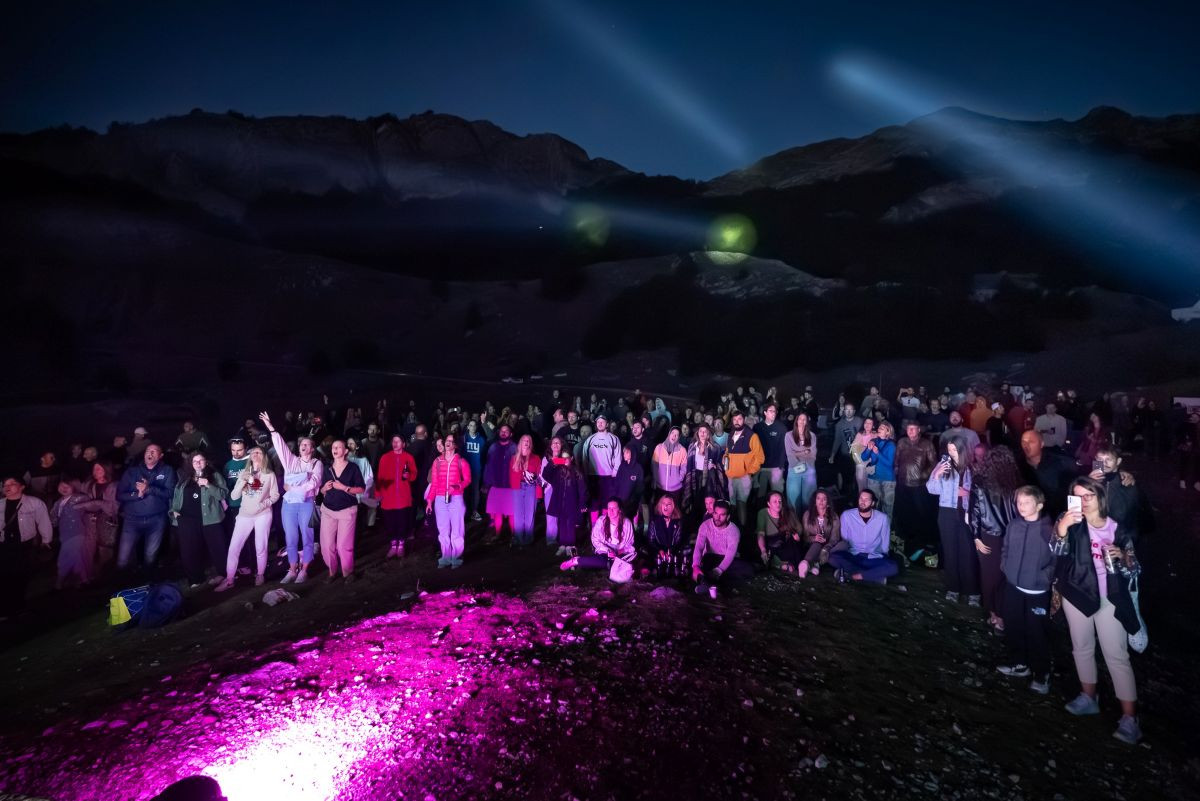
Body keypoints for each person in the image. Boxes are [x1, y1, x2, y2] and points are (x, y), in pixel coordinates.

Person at [1053, 477, 1142, 745]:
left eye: (1088, 495)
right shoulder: (1070, 523)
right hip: (1077, 595)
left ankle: (1129, 718)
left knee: (1116, 656)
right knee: (1081, 647)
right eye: (1078, 496)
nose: (1083, 500)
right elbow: (1055, 550)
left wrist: (1123, 557)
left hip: (1110, 599)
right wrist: (1062, 528)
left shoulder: (1117, 528)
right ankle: (1088, 697)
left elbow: (1135, 568)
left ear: (1099, 497)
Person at [996, 486, 1056, 694]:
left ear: (1039, 505)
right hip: (1013, 586)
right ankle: (1019, 664)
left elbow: (1056, 560)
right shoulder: (1014, 525)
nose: (1021, 506)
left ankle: (1042, 674)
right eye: (1019, 502)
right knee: (1013, 626)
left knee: (1037, 633)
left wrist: (1043, 578)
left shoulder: (1049, 530)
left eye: (1026, 502)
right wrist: (1006, 566)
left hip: (1037, 592)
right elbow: (1005, 548)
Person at [260, 413, 323, 584]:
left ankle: (305, 570)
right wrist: (271, 427)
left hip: (307, 504)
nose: (303, 446)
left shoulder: (317, 464)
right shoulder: (291, 461)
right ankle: (293, 569)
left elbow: (314, 483)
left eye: (307, 444)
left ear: (312, 448)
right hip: (288, 505)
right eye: (301, 444)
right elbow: (280, 445)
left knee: (308, 537)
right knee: (291, 538)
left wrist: (293, 486)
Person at [970, 446, 1021, 629]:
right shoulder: (1015, 482)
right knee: (1005, 576)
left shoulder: (979, 481)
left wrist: (976, 537)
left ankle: (994, 614)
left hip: (989, 535)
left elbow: (974, 511)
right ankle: (1002, 615)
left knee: (989, 577)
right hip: (1012, 534)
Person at [216, 446, 280, 591]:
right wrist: (241, 482)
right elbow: (234, 497)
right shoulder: (244, 473)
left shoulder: (269, 474)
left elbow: (275, 495)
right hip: (244, 515)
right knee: (234, 548)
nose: (255, 454)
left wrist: (264, 504)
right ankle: (230, 579)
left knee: (260, 547)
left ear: (264, 456)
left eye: (258, 452)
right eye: (253, 453)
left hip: (262, 515)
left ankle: (260, 574)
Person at [927, 436, 978, 605]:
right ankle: (953, 588)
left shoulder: (972, 467)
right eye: (949, 450)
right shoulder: (943, 466)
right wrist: (936, 475)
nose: (951, 453)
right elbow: (931, 490)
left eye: (954, 450)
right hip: (947, 512)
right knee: (950, 550)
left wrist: (968, 493)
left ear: (962, 450)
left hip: (965, 513)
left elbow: (980, 492)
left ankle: (972, 591)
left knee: (967, 551)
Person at [169, 453, 229, 588]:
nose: (198, 463)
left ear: (206, 462)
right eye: (195, 461)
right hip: (187, 520)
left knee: (218, 548)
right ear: (190, 463)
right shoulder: (184, 479)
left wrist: (208, 485)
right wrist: (174, 511)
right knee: (189, 551)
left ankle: (224, 574)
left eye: (201, 460)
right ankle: (195, 579)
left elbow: (223, 494)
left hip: (211, 518)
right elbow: (176, 497)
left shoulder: (214, 476)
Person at [116, 444, 177, 573]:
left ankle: (147, 583)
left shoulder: (167, 470)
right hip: (132, 520)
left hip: (156, 520)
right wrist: (137, 495)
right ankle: (122, 585)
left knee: (150, 557)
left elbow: (170, 493)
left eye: (154, 451)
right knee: (123, 559)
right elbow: (120, 495)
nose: (150, 453)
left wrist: (149, 489)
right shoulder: (132, 471)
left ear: (160, 456)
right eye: (148, 451)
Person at [1, 476, 53, 616]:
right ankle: (5, 607)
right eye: (5, 484)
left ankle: (18, 605)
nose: (7, 486)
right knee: (5, 576)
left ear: (22, 486)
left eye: (12, 483)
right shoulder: (0, 504)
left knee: (21, 575)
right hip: (4, 545)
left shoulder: (34, 503)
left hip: (24, 546)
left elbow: (43, 521)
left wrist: (46, 540)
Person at [316, 441, 366, 583]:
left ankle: (348, 572)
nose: (335, 449)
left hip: (347, 510)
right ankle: (332, 571)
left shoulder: (353, 468)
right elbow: (322, 491)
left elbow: (361, 489)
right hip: (328, 510)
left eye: (338, 447)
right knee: (326, 545)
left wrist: (345, 488)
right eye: (333, 447)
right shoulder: (327, 469)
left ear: (345, 451)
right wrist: (324, 488)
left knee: (343, 545)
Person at [829, 489, 898, 584]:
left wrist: (882, 557)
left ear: (873, 503)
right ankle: (875, 577)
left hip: (873, 557)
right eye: (861, 498)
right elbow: (844, 539)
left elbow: (885, 544)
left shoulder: (882, 518)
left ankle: (852, 575)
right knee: (833, 558)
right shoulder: (847, 515)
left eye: (867, 499)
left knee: (893, 567)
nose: (863, 501)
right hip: (854, 556)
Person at [426, 432, 471, 568]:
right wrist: (429, 501)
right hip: (440, 499)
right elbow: (434, 483)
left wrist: (457, 486)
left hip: (456, 498)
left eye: (451, 441)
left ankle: (456, 557)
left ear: (456, 445)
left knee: (457, 529)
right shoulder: (437, 462)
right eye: (447, 440)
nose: (448, 442)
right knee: (443, 529)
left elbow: (468, 480)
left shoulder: (461, 461)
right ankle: (445, 557)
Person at [1089, 445, 1148, 546]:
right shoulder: (1089, 481)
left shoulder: (1126, 483)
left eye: (1109, 459)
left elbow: (1128, 517)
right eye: (1100, 459)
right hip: (1094, 536)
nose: (1104, 463)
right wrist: (1087, 483)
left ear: (1118, 461)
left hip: (1117, 539)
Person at [691, 500, 751, 599]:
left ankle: (712, 584)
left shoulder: (734, 531)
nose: (717, 518)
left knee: (748, 570)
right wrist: (696, 566)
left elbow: (730, 555)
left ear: (728, 516)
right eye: (715, 513)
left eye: (722, 515)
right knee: (698, 566)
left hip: (727, 560)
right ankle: (710, 584)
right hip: (710, 557)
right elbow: (699, 547)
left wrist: (719, 570)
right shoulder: (705, 525)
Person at [894, 420, 936, 560]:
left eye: (913, 429)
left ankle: (922, 542)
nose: (910, 431)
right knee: (904, 512)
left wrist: (923, 475)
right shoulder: (902, 442)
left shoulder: (926, 444)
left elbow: (933, 464)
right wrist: (896, 469)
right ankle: (905, 539)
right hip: (902, 484)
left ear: (919, 430)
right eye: (908, 429)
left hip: (919, 486)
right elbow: (897, 459)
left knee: (921, 513)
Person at [559, 498, 636, 572]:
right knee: (604, 561)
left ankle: (608, 564)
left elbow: (629, 543)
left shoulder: (626, 523)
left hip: (620, 552)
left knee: (624, 560)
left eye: (614, 508)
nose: (611, 511)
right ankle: (576, 560)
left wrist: (619, 552)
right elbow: (595, 539)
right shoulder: (602, 521)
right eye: (609, 508)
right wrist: (608, 551)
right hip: (605, 551)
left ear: (619, 510)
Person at [1018, 431, 1078, 517]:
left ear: (1041, 444)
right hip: (1032, 518)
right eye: (1023, 442)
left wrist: (1098, 470)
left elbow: (1094, 461)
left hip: (1058, 515)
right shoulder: (1018, 465)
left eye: (1031, 442)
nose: (1026, 445)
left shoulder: (1059, 461)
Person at [376, 435, 418, 559]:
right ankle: (394, 545)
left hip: (403, 497)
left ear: (403, 444)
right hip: (388, 498)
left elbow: (414, 474)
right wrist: (378, 494)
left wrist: (408, 475)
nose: (395, 443)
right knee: (390, 522)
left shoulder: (408, 457)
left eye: (398, 441)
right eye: (393, 441)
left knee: (402, 522)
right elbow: (380, 477)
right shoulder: (385, 457)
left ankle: (401, 546)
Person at [543, 449, 588, 557]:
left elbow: (583, 490)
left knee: (570, 525)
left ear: (571, 458)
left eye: (567, 457)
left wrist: (583, 503)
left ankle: (571, 545)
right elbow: (545, 474)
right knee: (562, 524)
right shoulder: (557, 472)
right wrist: (554, 461)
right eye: (563, 458)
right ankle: (563, 544)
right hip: (560, 503)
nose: (565, 460)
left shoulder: (576, 472)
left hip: (572, 504)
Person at [724, 411, 764, 530]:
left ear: (744, 419)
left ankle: (743, 534)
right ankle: (732, 532)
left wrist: (749, 471)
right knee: (732, 505)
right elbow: (727, 452)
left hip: (744, 477)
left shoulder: (752, 436)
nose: (737, 422)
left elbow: (760, 457)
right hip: (731, 477)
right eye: (734, 419)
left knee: (741, 504)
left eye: (739, 419)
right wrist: (725, 462)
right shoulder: (730, 435)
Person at [50, 480, 94, 589]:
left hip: (77, 532)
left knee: (63, 558)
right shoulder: (58, 502)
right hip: (64, 534)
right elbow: (54, 520)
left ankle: (58, 584)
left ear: (74, 487)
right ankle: (85, 580)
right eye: (62, 485)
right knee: (76, 557)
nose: (64, 488)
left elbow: (92, 506)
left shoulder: (79, 498)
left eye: (67, 486)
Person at [681, 424, 727, 525]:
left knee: (707, 501)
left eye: (705, 431)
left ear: (708, 434)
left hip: (709, 478)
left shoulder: (714, 447)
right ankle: (695, 526)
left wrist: (716, 465)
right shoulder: (692, 446)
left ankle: (708, 522)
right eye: (700, 431)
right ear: (697, 433)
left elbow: (721, 460)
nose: (702, 433)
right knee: (695, 500)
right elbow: (688, 463)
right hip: (695, 476)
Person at [78, 462, 119, 568]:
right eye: (94, 469)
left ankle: (105, 573)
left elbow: (112, 509)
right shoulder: (89, 484)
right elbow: (80, 499)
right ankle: (87, 573)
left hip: (106, 523)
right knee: (88, 546)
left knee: (104, 549)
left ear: (107, 470)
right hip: (90, 520)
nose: (95, 471)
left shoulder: (114, 486)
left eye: (98, 469)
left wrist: (96, 503)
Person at [582, 415, 622, 523]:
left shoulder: (614, 439)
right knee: (594, 504)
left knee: (606, 503)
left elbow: (618, 458)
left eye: (602, 422)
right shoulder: (590, 439)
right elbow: (585, 458)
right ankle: (595, 527)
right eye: (598, 422)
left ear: (607, 424)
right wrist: (586, 474)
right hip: (593, 477)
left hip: (608, 477)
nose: (600, 424)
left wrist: (614, 473)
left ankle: (604, 526)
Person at [755, 491, 804, 573]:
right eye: (774, 502)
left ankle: (785, 564)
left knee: (792, 545)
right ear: (769, 504)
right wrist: (763, 550)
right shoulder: (762, 513)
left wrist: (796, 534)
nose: (778, 504)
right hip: (769, 542)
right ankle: (779, 563)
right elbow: (760, 534)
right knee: (761, 552)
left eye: (780, 501)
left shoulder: (787, 512)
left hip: (784, 542)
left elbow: (799, 528)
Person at [798, 489, 842, 578]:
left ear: (828, 502)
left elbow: (835, 538)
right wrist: (814, 538)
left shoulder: (834, 516)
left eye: (824, 499)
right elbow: (805, 537)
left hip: (828, 547)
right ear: (815, 501)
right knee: (817, 545)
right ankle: (805, 564)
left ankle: (814, 565)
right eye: (818, 498)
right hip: (811, 546)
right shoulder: (807, 515)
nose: (821, 501)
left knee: (842, 545)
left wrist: (826, 547)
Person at [483, 424, 517, 539]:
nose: (503, 433)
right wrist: (486, 483)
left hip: (510, 486)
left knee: (512, 512)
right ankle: (498, 534)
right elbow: (488, 465)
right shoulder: (493, 447)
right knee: (497, 511)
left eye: (506, 431)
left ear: (510, 434)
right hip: (496, 485)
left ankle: (514, 535)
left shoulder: (515, 448)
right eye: (501, 430)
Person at [508, 434, 543, 548]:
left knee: (529, 515)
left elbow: (539, 477)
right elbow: (511, 476)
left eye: (528, 441)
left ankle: (528, 540)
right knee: (518, 515)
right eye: (524, 440)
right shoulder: (514, 458)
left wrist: (538, 493)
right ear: (520, 443)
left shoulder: (536, 458)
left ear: (531, 444)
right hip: (517, 488)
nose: (526, 443)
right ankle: (518, 539)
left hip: (530, 488)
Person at [861, 421, 897, 521]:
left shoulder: (891, 445)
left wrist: (877, 453)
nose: (879, 429)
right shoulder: (873, 441)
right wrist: (868, 449)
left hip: (888, 480)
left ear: (888, 432)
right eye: (879, 427)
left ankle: (886, 530)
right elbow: (863, 457)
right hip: (873, 478)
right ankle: (873, 528)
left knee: (887, 507)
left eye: (882, 428)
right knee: (873, 505)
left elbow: (889, 464)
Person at [784, 413, 818, 516]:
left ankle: (807, 524)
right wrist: (803, 453)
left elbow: (813, 455)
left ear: (807, 422)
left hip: (809, 470)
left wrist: (797, 454)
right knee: (793, 501)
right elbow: (789, 455)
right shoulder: (788, 435)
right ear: (796, 421)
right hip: (793, 470)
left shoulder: (812, 436)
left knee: (808, 501)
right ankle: (795, 527)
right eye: (800, 419)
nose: (802, 421)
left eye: (804, 419)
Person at [752, 402, 788, 500]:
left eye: (775, 411)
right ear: (765, 412)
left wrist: (781, 466)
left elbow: (783, 448)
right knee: (760, 495)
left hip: (776, 467)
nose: (773, 413)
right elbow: (754, 448)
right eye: (771, 411)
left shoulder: (781, 428)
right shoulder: (757, 428)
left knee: (777, 495)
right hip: (761, 467)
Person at [645, 494, 685, 578]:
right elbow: (651, 540)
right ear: (660, 505)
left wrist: (670, 551)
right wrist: (659, 550)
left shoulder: (678, 522)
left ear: (673, 507)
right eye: (663, 503)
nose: (665, 506)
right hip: (658, 552)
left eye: (669, 504)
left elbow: (679, 541)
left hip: (673, 552)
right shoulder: (654, 521)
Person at [829, 403, 863, 494]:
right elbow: (837, 440)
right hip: (845, 455)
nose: (848, 412)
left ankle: (856, 495)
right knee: (845, 476)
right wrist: (832, 455)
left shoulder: (859, 421)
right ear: (844, 411)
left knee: (857, 477)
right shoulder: (840, 424)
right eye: (846, 409)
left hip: (858, 455)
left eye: (850, 409)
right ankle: (844, 494)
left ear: (854, 411)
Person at [346, 436, 378, 529]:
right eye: (348, 443)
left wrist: (366, 489)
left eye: (351, 443)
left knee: (361, 514)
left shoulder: (363, 460)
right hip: (349, 492)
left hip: (361, 491)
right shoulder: (345, 459)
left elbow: (369, 476)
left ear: (357, 446)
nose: (349, 445)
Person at [461, 419, 487, 519]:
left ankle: (474, 511)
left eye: (474, 425)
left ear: (476, 427)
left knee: (475, 491)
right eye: (470, 425)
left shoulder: (482, 440)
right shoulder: (463, 438)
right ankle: (464, 512)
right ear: (468, 427)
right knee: (464, 491)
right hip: (464, 471)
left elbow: (484, 456)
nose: (472, 427)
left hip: (476, 470)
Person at [652, 427, 688, 499]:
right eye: (672, 433)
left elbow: (684, 467)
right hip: (660, 487)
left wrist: (679, 479)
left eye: (676, 435)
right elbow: (654, 465)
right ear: (669, 434)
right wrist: (657, 479)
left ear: (679, 438)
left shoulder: (682, 450)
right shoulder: (659, 448)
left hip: (675, 489)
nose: (674, 436)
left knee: (674, 509)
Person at [613, 445, 645, 523]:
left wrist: (634, 499)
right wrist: (616, 496)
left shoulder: (638, 468)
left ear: (632, 454)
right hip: (621, 500)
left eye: (627, 453)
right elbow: (617, 481)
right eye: (624, 453)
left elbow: (640, 486)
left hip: (631, 502)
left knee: (630, 521)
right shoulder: (622, 466)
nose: (624, 455)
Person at [850, 418, 876, 493]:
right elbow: (854, 450)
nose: (867, 425)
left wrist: (862, 448)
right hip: (860, 465)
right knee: (861, 488)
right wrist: (859, 463)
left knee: (871, 488)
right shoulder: (859, 434)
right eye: (866, 423)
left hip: (871, 465)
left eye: (870, 423)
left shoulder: (875, 435)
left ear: (873, 426)